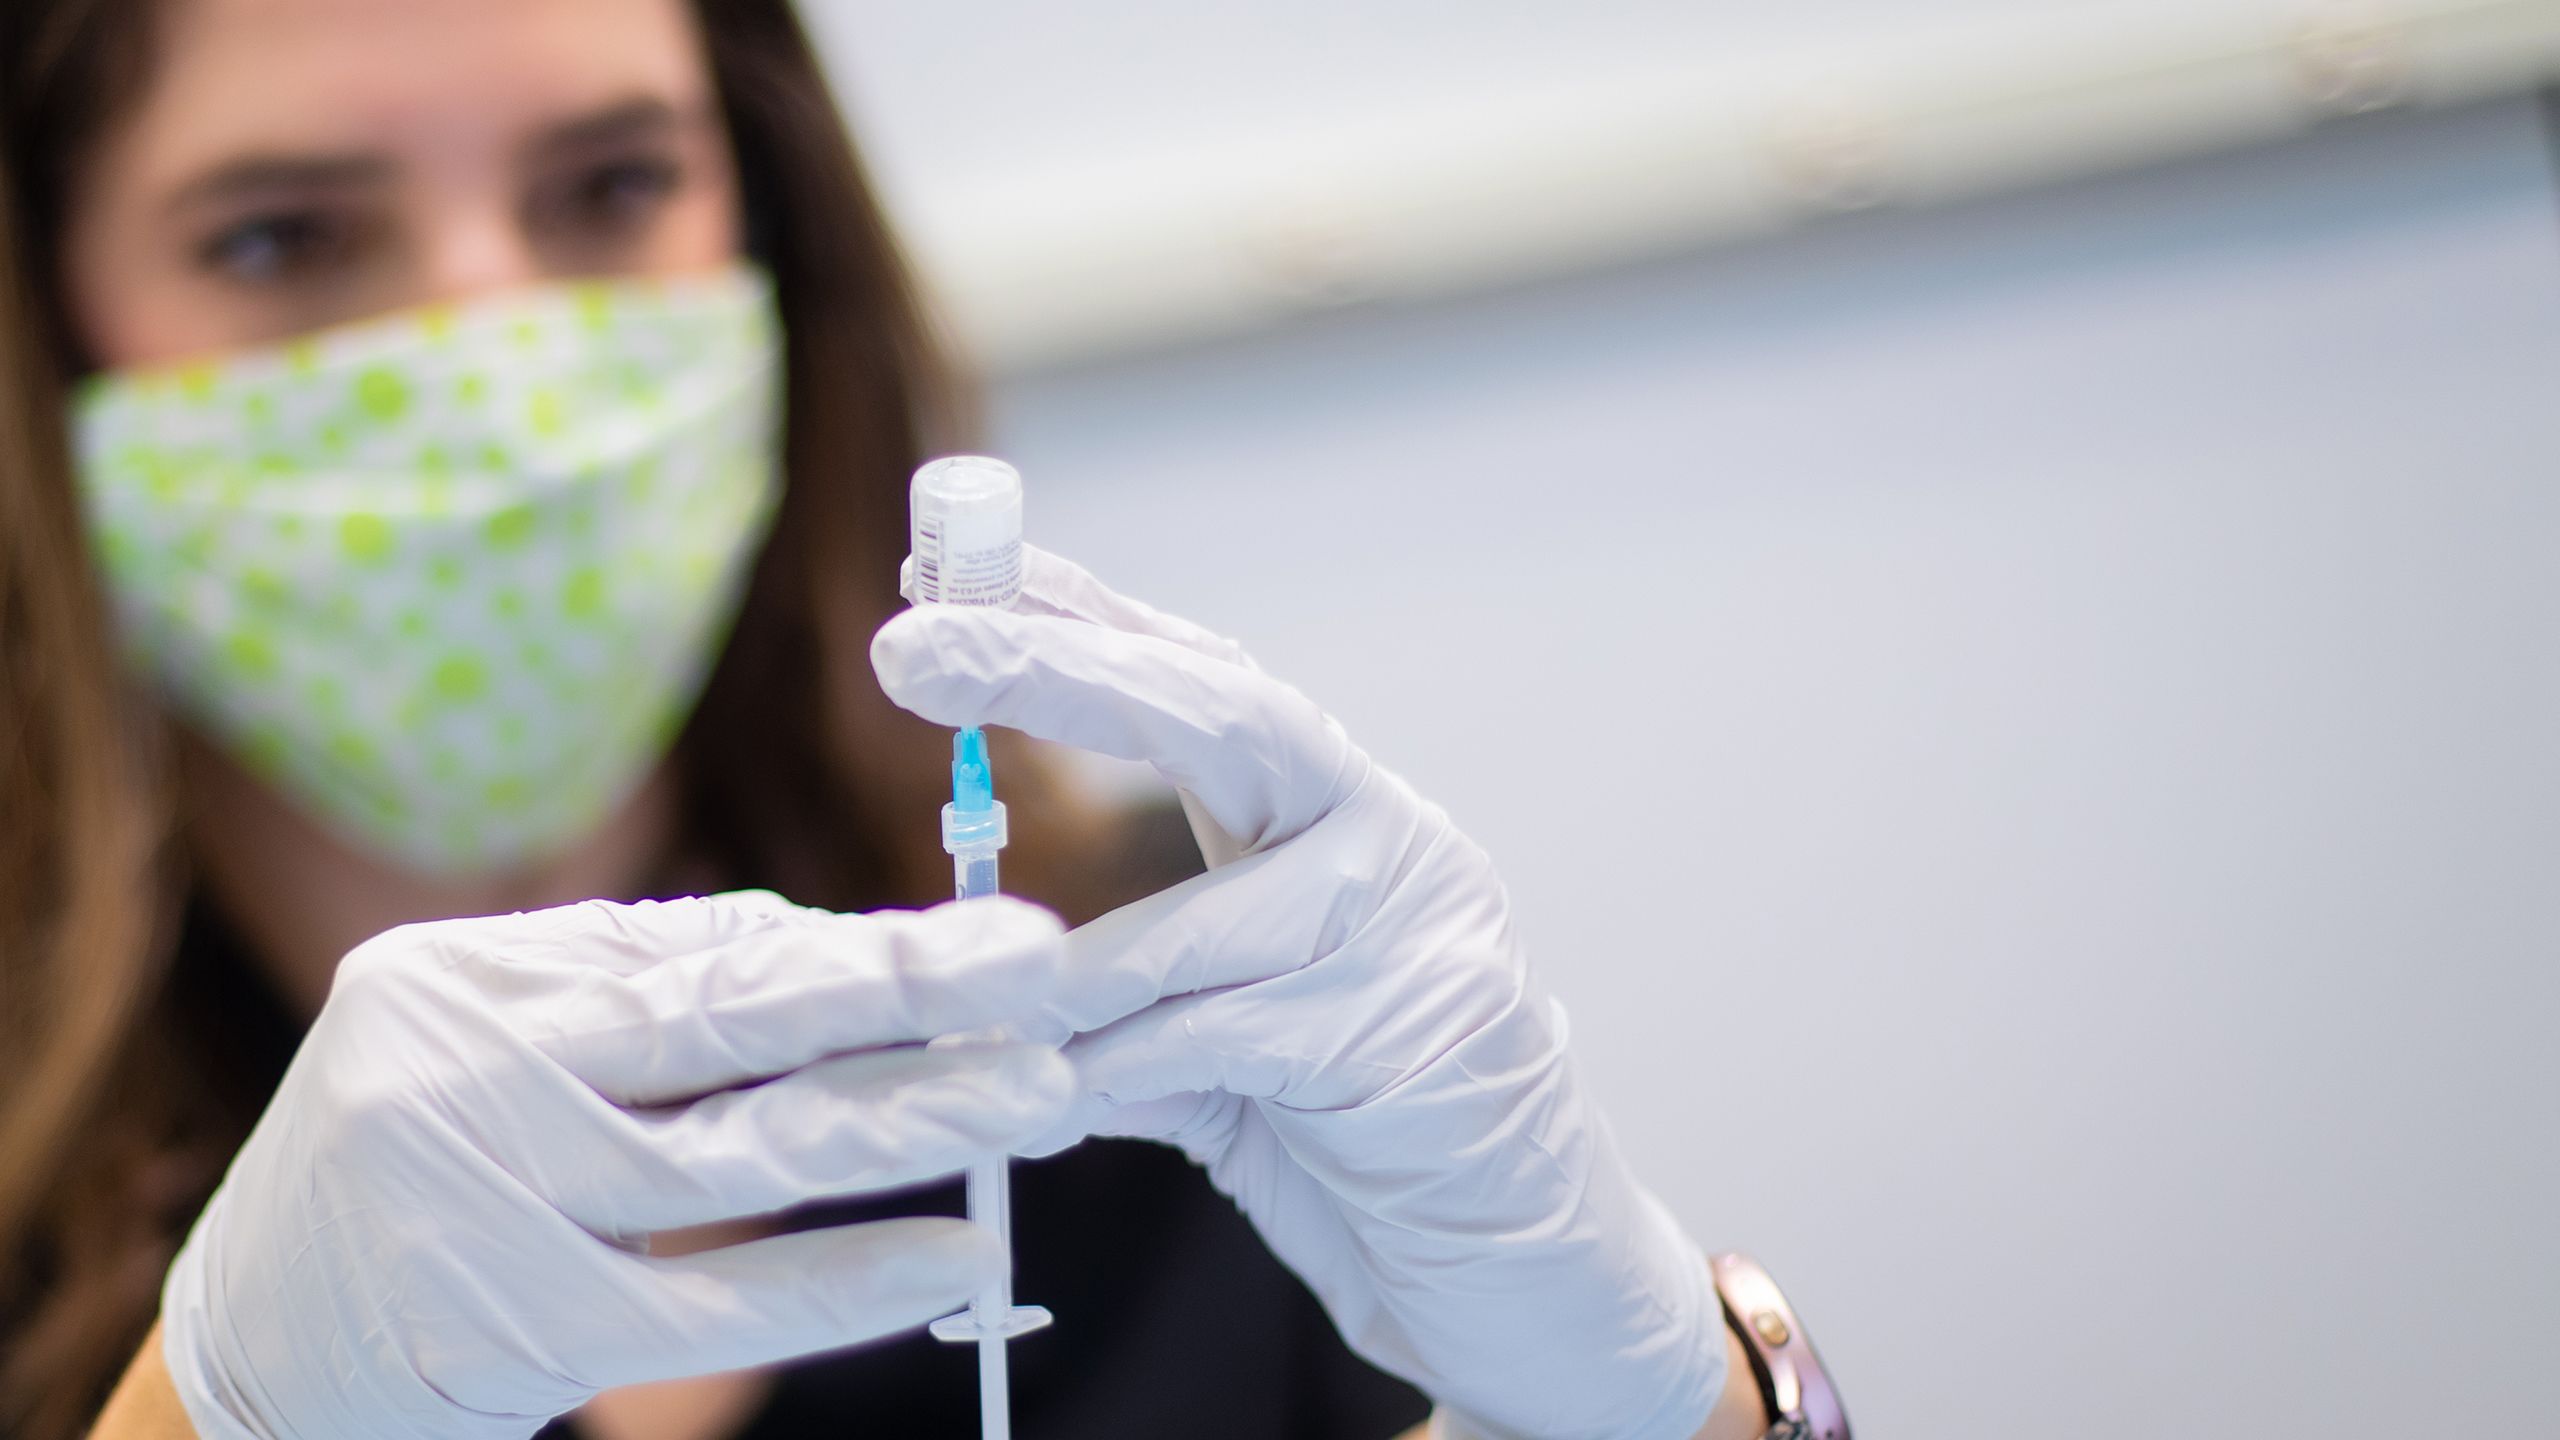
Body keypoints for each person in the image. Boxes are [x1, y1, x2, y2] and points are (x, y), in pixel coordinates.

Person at [0, 2, 1782, 1438]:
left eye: (614, 186)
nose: (499, 348)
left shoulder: (1195, 1015)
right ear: (51, 324)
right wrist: (200, 1418)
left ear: (766, 230)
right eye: (281, 235)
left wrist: (1663, 1402)